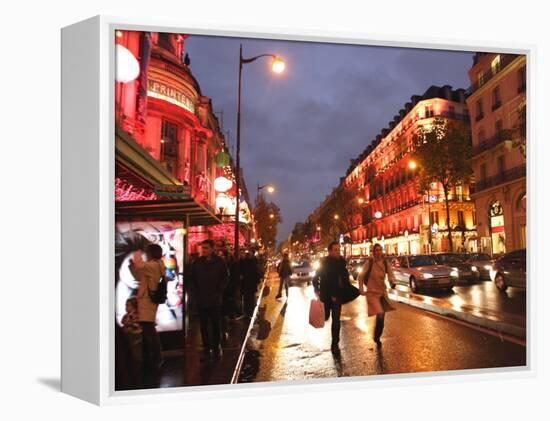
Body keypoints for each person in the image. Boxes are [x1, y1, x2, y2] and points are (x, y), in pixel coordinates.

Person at [129, 243, 165, 381]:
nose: (145, 254)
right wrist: (133, 265)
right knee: (148, 329)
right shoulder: (156, 265)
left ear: (151, 253)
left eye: (146, 252)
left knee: (149, 329)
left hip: (147, 301)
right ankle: (153, 358)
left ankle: (156, 358)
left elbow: (139, 266)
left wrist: (136, 251)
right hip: (147, 300)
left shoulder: (154, 265)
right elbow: (139, 275)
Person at [189, 239, 229, 359]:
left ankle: (216, 346)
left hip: (214, 299)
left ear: (212, 248)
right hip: (202, 299)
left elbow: (225, 278)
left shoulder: (220, 262)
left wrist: (218, 291)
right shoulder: (197, 263)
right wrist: (196, 292)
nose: (203, 250)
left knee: (215, 324)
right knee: (203, 325)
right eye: (203, 248)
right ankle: (207, 348)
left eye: (206, 248)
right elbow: (193, 279)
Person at [312, 241, 350, 354]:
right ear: (329, 251)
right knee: (326, 316)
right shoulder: (324, 263)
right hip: (326, 295)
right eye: (335, 250)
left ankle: (335, 344)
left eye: (338, 250)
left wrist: (346, 288)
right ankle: (326, 315)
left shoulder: (342, 263)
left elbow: (345, 278)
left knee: (336, 320)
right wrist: (317, 289)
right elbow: (316, 278)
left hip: (337, 295)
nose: (337, 252)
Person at [358, 243, 396, 346]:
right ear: (373, 252)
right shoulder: (369, 263)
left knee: (382, 318)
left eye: (379, 250)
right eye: (376, 250)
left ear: (382, 251)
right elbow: (360, 276)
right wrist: (361, 289)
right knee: (379, 314)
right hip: (372, 294)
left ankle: (377, 335)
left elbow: (391, 274)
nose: (378, 252)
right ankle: (376, 336)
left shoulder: (384, 262)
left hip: (382, 293)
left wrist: (392, 281)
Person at [121, 297, 143, 385]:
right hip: (129, 337)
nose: (126, 307)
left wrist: (129, 326)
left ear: (134, 306)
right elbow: (123, 321)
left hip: (136, 336)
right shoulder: (126, 315)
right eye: (125, 305)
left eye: (128, 305)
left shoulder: (137, 315)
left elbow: (137, 324)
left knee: (136, 353)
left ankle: (138, 369)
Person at [240, 249, 263, 318]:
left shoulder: (251, 262)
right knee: (247, 298)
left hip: (249, 284)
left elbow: (255, 273)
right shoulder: (245, 262)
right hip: (247, 284)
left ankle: (249, 312)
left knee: (249, 299)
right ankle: (247, 312)